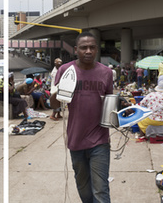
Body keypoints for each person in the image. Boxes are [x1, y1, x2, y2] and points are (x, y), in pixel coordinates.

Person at [50, 31, 113, 203]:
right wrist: (60, 90)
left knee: (100, 191)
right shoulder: (65, 70)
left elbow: (110, 105)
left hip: (100, 141)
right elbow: (55, 106)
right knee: (84, 189)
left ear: (96, 50)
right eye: (84, 47)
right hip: (76, 141)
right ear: (76, 50)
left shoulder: (106, 73)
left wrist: (123, 111)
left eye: (92, 47)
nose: (88, 51)